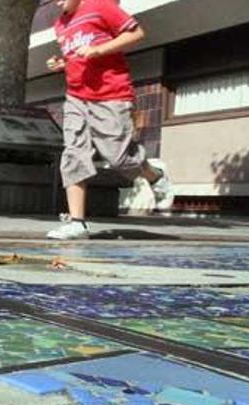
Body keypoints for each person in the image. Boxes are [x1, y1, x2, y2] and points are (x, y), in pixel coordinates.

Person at [47, 0, 171, 240]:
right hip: (75, 97)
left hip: (110, 95)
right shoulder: (60, 24)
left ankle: (155, 175)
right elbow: (76, 56)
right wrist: (61, 64)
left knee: (120, 159)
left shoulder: (100, 6)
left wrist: (99, 50)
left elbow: (137, 33)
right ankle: (77, 223)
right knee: (73, 153)